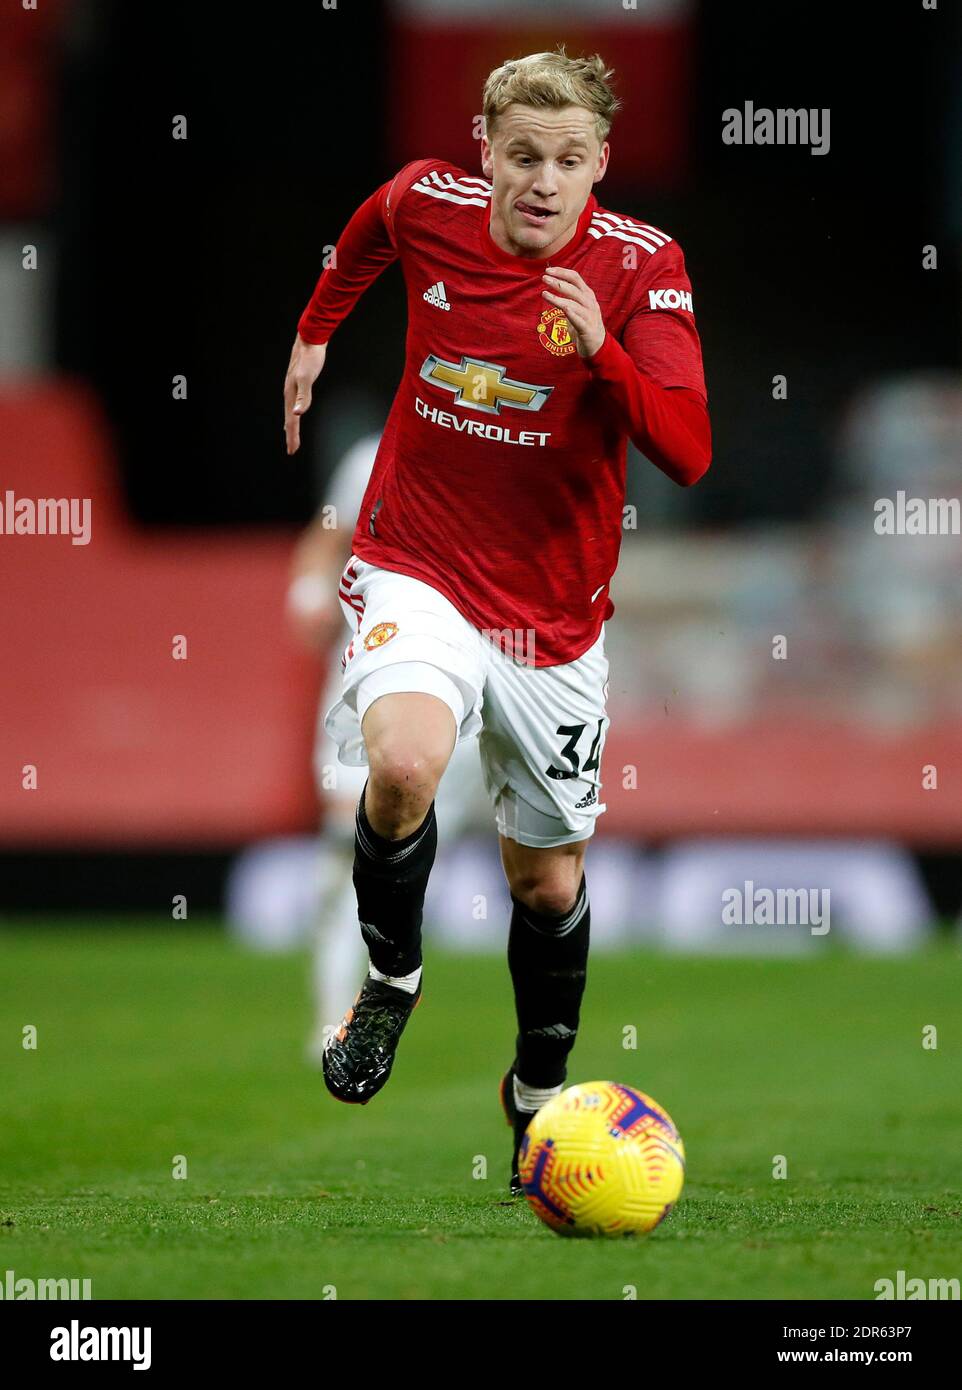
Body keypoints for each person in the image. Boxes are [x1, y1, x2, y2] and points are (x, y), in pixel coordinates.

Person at [282, 48, 711, 1194]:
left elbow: (687, 447)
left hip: (553, 620)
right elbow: (371, 224)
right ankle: (391, 980)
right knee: (404, 762)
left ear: (599, 166)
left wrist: (604, 355)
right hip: (415, 564)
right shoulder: (432, 202)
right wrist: (318, 330)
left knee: (547, 885)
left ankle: (535, 1079)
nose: (542, 180)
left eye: (568, 160)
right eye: (522, 155)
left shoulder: (638, 267)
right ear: (486, 151)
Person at [285, 431, 485, 1063]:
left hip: (480, 668)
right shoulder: (376, 451)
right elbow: (329, 530)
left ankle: (396, 985)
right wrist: (311, 592)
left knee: (429, 846)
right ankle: (337, 1013)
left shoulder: (521, 443)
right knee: (349, 835)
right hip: (379, 659)